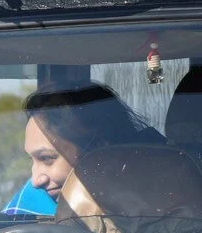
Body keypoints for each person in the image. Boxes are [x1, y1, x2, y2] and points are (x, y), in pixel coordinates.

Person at [15, 83, 155, 211]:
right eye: (31, 161)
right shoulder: (24, 214)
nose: (35, 180)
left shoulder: (161, 211)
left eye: (46, 158)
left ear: (99, 150)